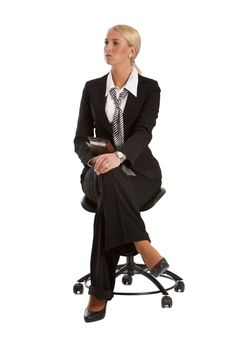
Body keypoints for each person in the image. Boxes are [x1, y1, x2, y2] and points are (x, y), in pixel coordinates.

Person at [74, 24, 169, 323]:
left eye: (115, 42)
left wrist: (119, 156)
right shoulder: (92, 88)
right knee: (108, 177)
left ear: (131, 50)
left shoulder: (150, 88)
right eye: (106, 42)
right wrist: (94, 161)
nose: (107, 47)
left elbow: (144, 133)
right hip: (97, 172)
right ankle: (142, 242)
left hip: (142, 175)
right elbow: (80, 139)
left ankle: (99, 293)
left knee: (109, 197)